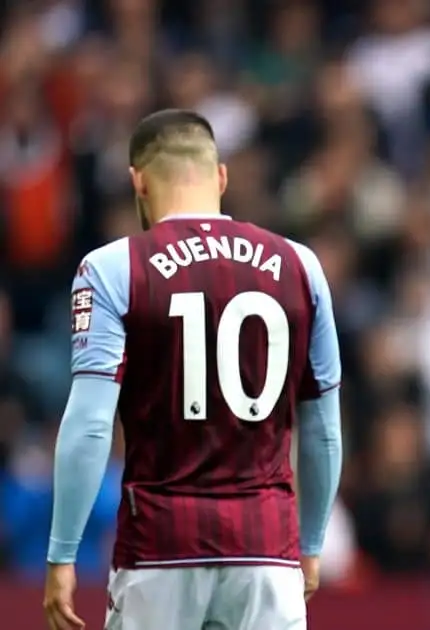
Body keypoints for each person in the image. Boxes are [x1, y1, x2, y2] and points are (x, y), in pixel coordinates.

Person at [43, 109, 343, 630]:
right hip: (266, 552)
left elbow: (91, 424)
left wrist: (62, 553)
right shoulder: (300, 265)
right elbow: (323, 429)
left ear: (138, 181)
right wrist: (310, 543)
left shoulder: (113, 268)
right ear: (220, 177)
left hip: (160, 548)